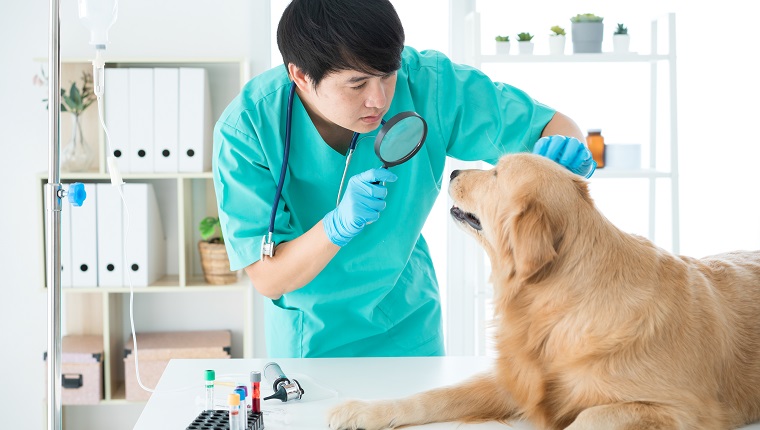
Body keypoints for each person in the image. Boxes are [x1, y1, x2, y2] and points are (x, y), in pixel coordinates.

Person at [212, 0, 595, 358]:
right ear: (300, 75)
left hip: (408, 324)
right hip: (313, 338)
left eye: (387, 75)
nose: (379, 99)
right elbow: (267, 277)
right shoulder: (248, 128)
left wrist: (567, 152)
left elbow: (552, 125)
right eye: (357, 84)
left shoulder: (429, 82)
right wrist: (336, 227)